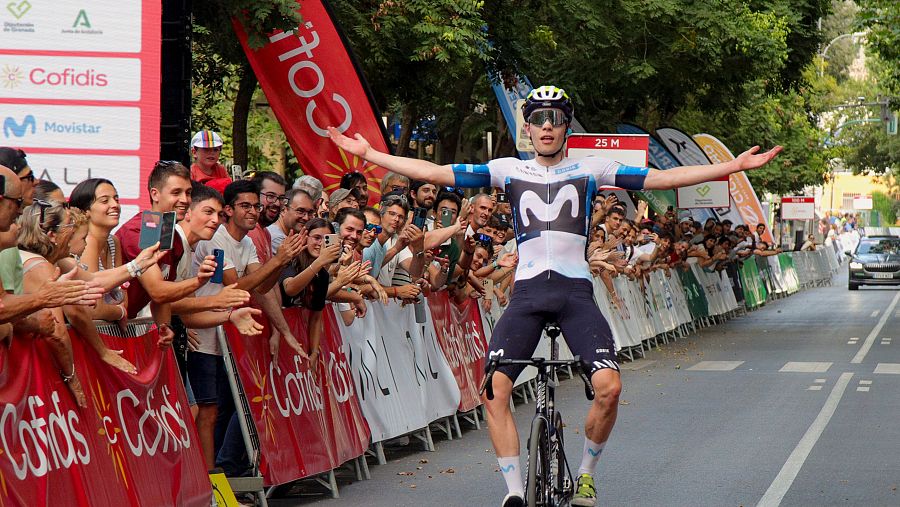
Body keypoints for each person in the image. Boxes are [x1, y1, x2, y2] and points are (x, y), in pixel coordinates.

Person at [329, 84, 781, 507]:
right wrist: (371, 154)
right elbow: (433, 170)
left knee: (609, 389)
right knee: (494, 391)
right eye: (538, 118)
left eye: (556, 118)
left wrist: (733, 167)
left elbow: (664, 179)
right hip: (526, 295)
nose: (547, 126)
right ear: (527, 127)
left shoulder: (591, 168)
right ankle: (512, 491)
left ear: (566, 126)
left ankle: (585, 471)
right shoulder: (508, 170)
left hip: (574, 294)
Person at [268, 188, 316, 254]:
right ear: (283, 210)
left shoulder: (290, 237)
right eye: (300, 211)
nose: (306, 218)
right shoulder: (276, 238)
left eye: (310, 212)